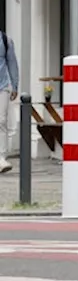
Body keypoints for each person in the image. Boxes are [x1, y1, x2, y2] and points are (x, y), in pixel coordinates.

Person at [0, 27, 17, 173]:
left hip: (2, 87)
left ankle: (1, 158)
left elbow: (12, 63)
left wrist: (15, 85)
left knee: (1, 120)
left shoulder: (5, 41)